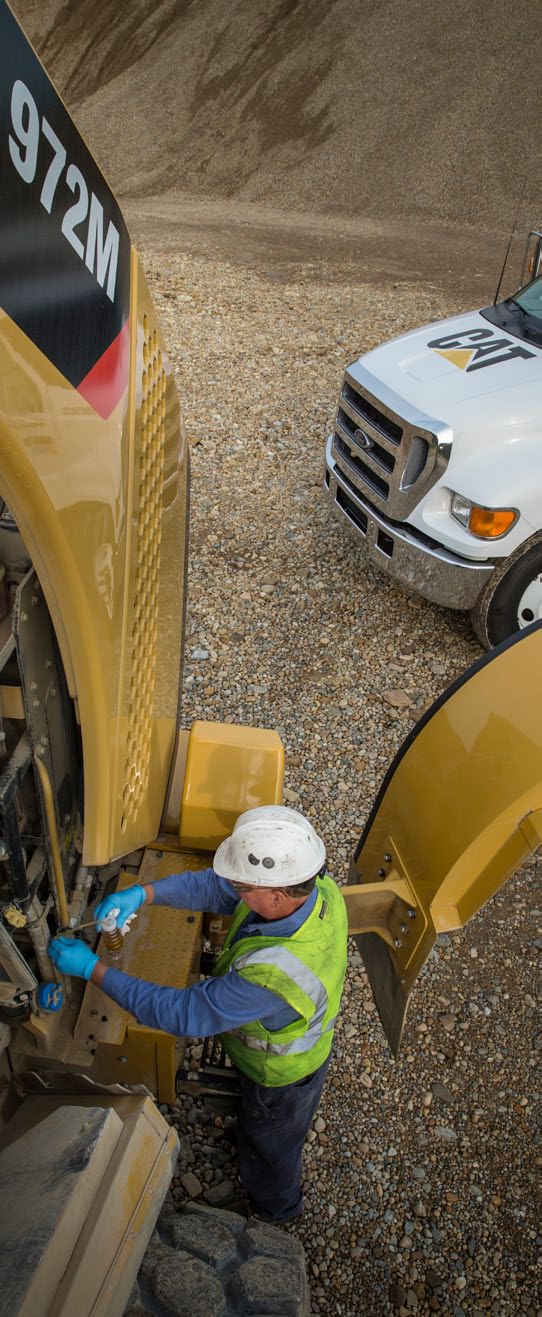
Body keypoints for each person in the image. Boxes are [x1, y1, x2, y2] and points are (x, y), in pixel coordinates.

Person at [48, 805, 348, 1223]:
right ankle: (249, 1141)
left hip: (283, 1075)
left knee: (273, 1144)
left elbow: (184, 1013)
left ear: (275, 895)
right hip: (274, 1050)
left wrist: (93, 970)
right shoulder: (313, 887)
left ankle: (277, 1211)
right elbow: (214, 888)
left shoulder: (277, 974)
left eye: (244, 886)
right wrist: (144, 894)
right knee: (255, 1123)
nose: (235, 890)